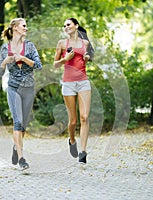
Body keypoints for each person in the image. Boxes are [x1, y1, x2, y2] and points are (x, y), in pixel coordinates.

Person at [0, 18, 42, 170]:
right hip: (13, 88)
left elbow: (39, 65)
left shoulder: (29, 46)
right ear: (15, 28)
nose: (26, 28)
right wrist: (5, 62)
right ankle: (22, 159)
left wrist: (24, 58)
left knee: (23, 125)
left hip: (29, 88)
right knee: (17, 122)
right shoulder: (5, 48)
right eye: (24, 26)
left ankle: (16, 148)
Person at [54, 18, 94, 164]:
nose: (66, 27)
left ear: (76, 26)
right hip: (68, 84)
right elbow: (55, 65)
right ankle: (72, 141)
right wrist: (66, 59)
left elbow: (86, 57)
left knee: (84, 117)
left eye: (68, 24)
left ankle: (83, 152)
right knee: (73, 121)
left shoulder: (86, 43)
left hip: (83, 82)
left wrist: (87, 57)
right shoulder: (62, 43)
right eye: (64, 25)